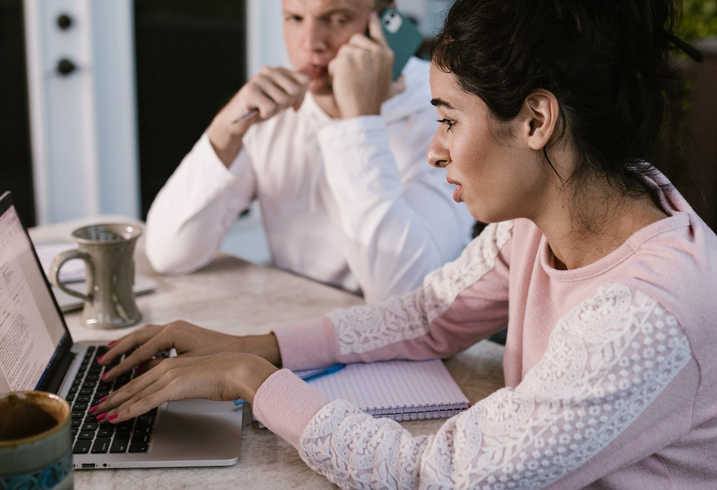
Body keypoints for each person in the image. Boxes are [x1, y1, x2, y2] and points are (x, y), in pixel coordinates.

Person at [92, 0, 717, 487]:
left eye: (448, 120)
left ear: (536, 121)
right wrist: (255, 345)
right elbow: (428, 315)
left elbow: (437, 475)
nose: (433, 147)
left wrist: (251, 378)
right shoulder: (544, 218)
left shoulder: (647, 311)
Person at [143, 0, 474, 303]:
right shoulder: (275, 109)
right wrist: (223, 132)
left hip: (404, 349)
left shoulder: (443, 113)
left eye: (338, 19)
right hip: (297, 322)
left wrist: (359, 119)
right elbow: (169, 253)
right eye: (295, 18)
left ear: (387, 22)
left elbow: (404, 298)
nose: (311, 43)